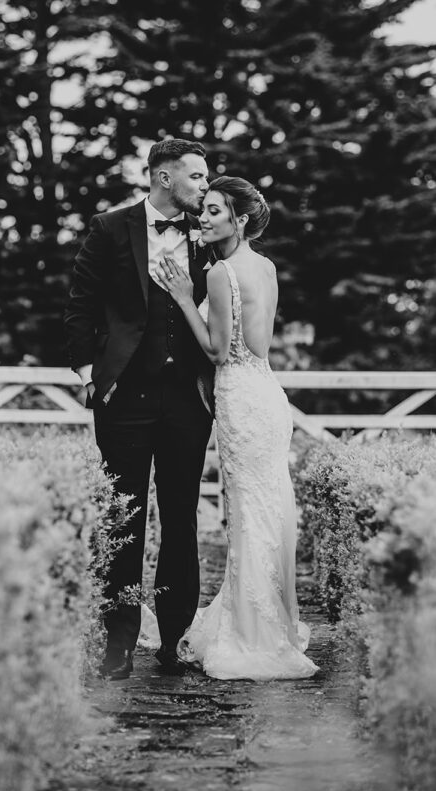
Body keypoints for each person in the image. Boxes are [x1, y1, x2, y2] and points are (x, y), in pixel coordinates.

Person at [154, 176, 318, 680]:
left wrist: (185, 296)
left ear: (240, 219)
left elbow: (218, 350)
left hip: (242, 401)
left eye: (213, 211)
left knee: (249, 514)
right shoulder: (264, 266)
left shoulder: (221, 272)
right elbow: (260, 345)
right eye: (203, 210)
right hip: (266, 394)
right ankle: (272, 622)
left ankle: (254, 635)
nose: (202, 218)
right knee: (265, 512)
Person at [64, 139, 214, 680]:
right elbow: (80, 303)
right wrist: (89, 377)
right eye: (196, 176)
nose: (205, 185)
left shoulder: (209, 232)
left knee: (181, 518)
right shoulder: (109, 228)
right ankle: (119, 642)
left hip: (187, 401)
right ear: (163, 177)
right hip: (124, 396)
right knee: (123, 518)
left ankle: (175, 639)